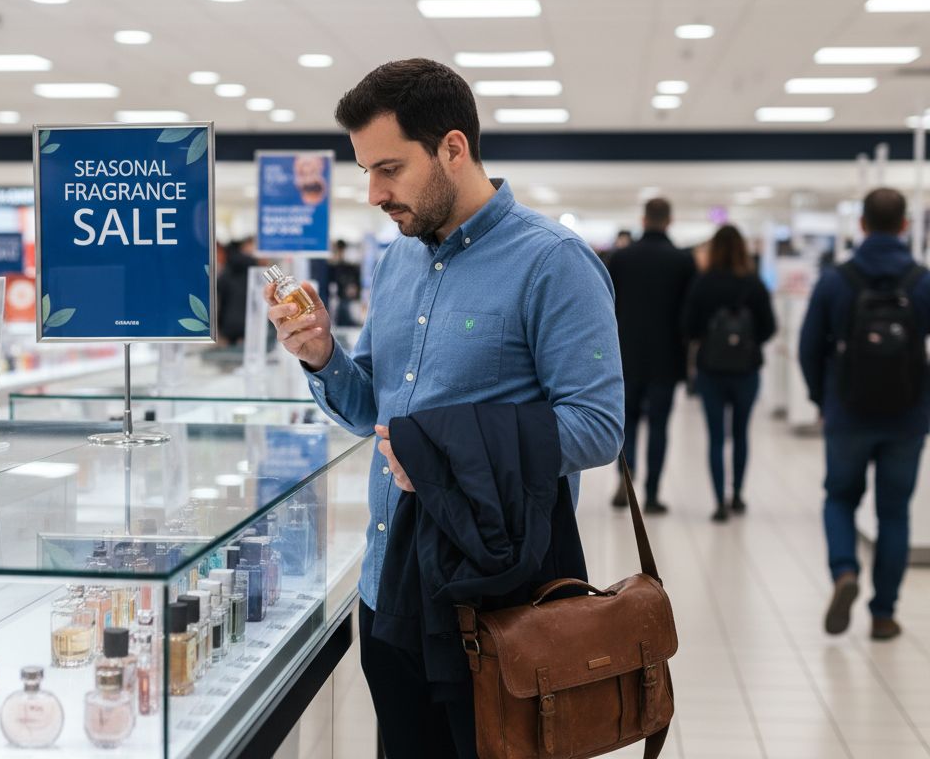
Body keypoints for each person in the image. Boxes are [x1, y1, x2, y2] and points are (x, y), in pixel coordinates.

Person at [264, 58, 623, 758]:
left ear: (452, 149)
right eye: (366, 171)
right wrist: (320, 356)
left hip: (492, 601)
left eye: (389, 169)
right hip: (386, 589)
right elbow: (378, 409)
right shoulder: (397, 262)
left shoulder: (554, 263)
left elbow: (598, 426)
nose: (373, 193)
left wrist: (444, 449)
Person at [799, 187, 930, 642]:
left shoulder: (838, 279)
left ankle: (844, 573)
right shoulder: (922, 280)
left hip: (848, 412)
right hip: (909, 417)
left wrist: (822, 399)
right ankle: (884, 614)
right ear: (904, 226)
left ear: (861, 225)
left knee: (840, 499)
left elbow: (809, 346)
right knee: (894, 513)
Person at [606, 198, 697, 513]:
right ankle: (653, 492)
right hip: (666, 358)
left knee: (626, 423)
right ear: (669, 221)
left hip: (625, 355)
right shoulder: (682, 262)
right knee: (659, 425)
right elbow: (689, 316)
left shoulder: (621, 258)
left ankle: (625, 481)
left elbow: (606, 307)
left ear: (643, 220)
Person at [681, 225, 777, 522]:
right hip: (747, 370)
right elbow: (769, 327)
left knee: (715, 436)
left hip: (711, 369)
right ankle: (737, 494)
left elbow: (687, 327)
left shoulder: (703, 283)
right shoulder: (754, 283)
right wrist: (746, 342)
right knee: (740, 433)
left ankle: (718, 501)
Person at [216, 237, 258, 345]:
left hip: (228, 324)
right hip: (249, 322)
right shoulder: (252, 269)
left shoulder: (228, 270)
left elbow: (219, 293)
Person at [329, 238, 362, 327]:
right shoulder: (332, 266)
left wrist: (352, 287)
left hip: (344, 299)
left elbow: (354, 282)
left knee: (345, 316)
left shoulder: (349, 266)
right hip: (337, 298)